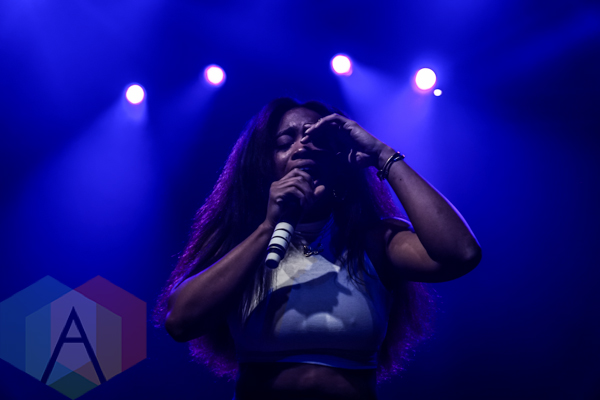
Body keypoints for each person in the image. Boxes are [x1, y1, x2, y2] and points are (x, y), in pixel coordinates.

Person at [153, 98, 482, 399]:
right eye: (285, 142)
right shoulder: (240, 239)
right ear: (263, 165)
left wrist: (383, 155)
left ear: (339, 163)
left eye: (317, 140)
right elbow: (180, 321)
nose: (301, 147)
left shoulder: (372, 238)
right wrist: (268, 227)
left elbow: (461, 252)